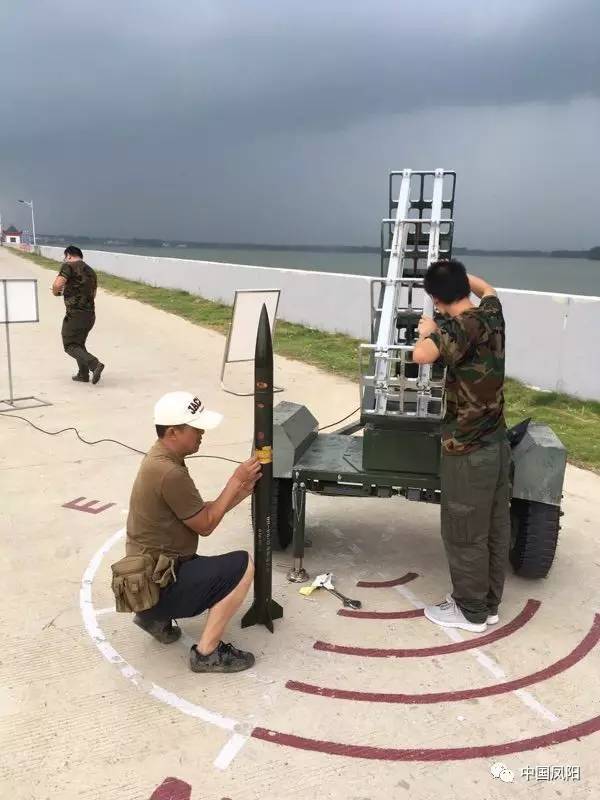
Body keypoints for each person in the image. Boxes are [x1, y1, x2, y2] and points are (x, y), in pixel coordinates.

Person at [123, 391, 261, 673]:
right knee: (243, 565)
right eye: (196, 428)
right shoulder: (169, 472)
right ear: (173, 432)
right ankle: (206, 653)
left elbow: (198, 513)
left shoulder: (160, 457)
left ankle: (153, 617)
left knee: (207, 564)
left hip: (145, 578)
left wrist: (241, 492)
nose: (202, 434)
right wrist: (235, 481)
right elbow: (206, 524)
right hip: (158, 583)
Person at [412, 259, 510, 633]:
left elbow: (422, 355)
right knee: (494, 528)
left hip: (468, 449)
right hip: (497, 443)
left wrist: (427, 330)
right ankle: (488, 605)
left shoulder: (455, 328)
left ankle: (470, 612)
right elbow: (488, 289)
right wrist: (457, 278)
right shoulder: (491, 314)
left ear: (436, 299)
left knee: (464, 531)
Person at [52, 245, 104, 384]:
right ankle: (83, 374)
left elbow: (58, 284)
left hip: (75, 315)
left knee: (70, 345)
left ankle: (94, 364)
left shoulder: (68, 266)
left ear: (69, 255)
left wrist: (56, 292)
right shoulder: (91, 271)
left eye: (65, 257)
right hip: (90, 315)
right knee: (79, 344)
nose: (65, 259)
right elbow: (93, 294)